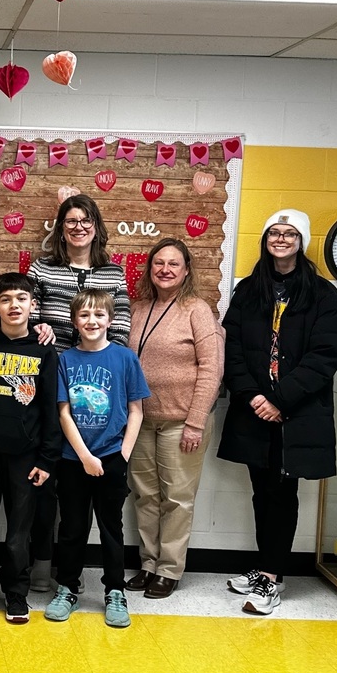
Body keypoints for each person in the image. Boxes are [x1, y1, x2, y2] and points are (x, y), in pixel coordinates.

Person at [217, 209, 337, 615]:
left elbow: (325, 357)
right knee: (261, 490)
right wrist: (254, 396)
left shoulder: (323, 294)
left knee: (282, 493)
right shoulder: (248, 289)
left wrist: (280, 399)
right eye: (274, 232)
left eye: (290, 233)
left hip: (295, 413)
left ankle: (271, 578)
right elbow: (231, 348)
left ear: (301, 241)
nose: (281, 239)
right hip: (254, 409)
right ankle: (267, 569)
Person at [27, 193, 131, 593]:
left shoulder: (113, 273)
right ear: (59, 227)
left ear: (96, 226)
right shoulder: (43, 267)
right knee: (47, 478)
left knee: (87, 498)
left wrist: (94, 353)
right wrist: (42, 330)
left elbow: (119, 329)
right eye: (70, 220)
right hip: (50, 385)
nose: (78, 227)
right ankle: (44, 563)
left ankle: (83, 577)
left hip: (94, 387)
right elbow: (29, 313)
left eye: (85, 220)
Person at [125, 238, 223, 599]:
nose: (165, 270)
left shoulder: (197, 310)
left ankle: (169, 569)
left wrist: (196, 420)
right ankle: (148, 563)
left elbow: (212, 368)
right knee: (145, 496)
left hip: (183, 421)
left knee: (177, 498)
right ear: (149, 269)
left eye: (173, 264)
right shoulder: (137, 309)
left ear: (186, 271)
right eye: (158, 264)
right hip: (140, 420)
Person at [45, 289, 150, 627]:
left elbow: (136, 411)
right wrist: (84, 456)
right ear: (74, 322)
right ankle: (68, 588)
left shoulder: (125, 358)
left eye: (99, 315)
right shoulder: (65, 360)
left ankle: (114, 592)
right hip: (74, 459)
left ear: (110, 319)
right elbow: (63, 413)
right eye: (85, 316)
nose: (92, 321)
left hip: (112, 457)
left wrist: (122, 454)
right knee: (72, 527)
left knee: (111, 529)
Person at [0, 273, 61, 625]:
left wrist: (47, 458)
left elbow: (51, 408)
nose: (14, 305)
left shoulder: (44, 349)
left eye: (21, 298)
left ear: (33, 305)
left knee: (19, 531)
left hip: (27, 456)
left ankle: (16, 592)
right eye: (6, 299)